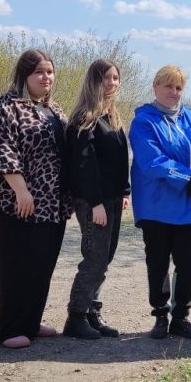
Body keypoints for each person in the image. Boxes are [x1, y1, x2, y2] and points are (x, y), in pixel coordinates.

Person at [0, 49, 71, 349]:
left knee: (41, 265)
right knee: (16, 265)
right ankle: (8, 328)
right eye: (39, 72)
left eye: (49, 72)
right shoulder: (6, 108)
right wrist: (21, 190)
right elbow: (1, 151)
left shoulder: (53, 109)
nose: (46, 77)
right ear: (24, 75)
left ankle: (30, 321)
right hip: (15, 202)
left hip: (51, 204)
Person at [131, 65, 191, 341]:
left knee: (188, 263)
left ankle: (181, 317)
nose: (173, 92)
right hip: (156, 205)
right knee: (158, 263)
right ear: (155, 86)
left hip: (188, 206)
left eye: (178, 87)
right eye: (168, 86)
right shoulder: (144, 121)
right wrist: (186, 177)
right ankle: (160, 315)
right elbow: (152, 161)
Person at [62, 59, 131, 340]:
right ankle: (76, 317)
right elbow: (83, 165)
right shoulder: (85, 118)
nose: (111, 83)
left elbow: (119, 159)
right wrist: (95, 203)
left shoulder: (111, 115)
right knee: (95, 258)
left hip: (112, 199)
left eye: (115, 78)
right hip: (94, 202)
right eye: (106, 78)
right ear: (93, 81)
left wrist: (124, 193)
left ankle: (92, 312)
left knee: (105, 258)